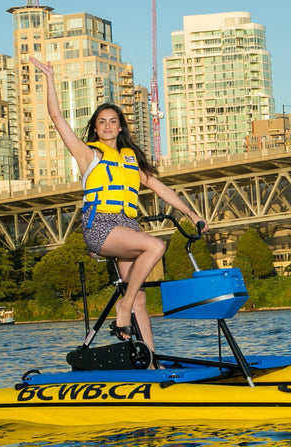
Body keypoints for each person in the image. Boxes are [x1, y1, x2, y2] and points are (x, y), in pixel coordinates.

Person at [30, 56, 207, 354]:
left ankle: (150, 360)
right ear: (96, 129)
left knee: (139, 297)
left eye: (113, 121)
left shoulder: (130, 160)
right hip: (100, 226)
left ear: (120, 126)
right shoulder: (88, 154)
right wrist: (49, 78)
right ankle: (122, 313)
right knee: (155, 247)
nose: (108, 126)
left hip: (127, 226)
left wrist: (192, 214)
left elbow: (160, 188)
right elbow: (57, 118)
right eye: (102, 122)